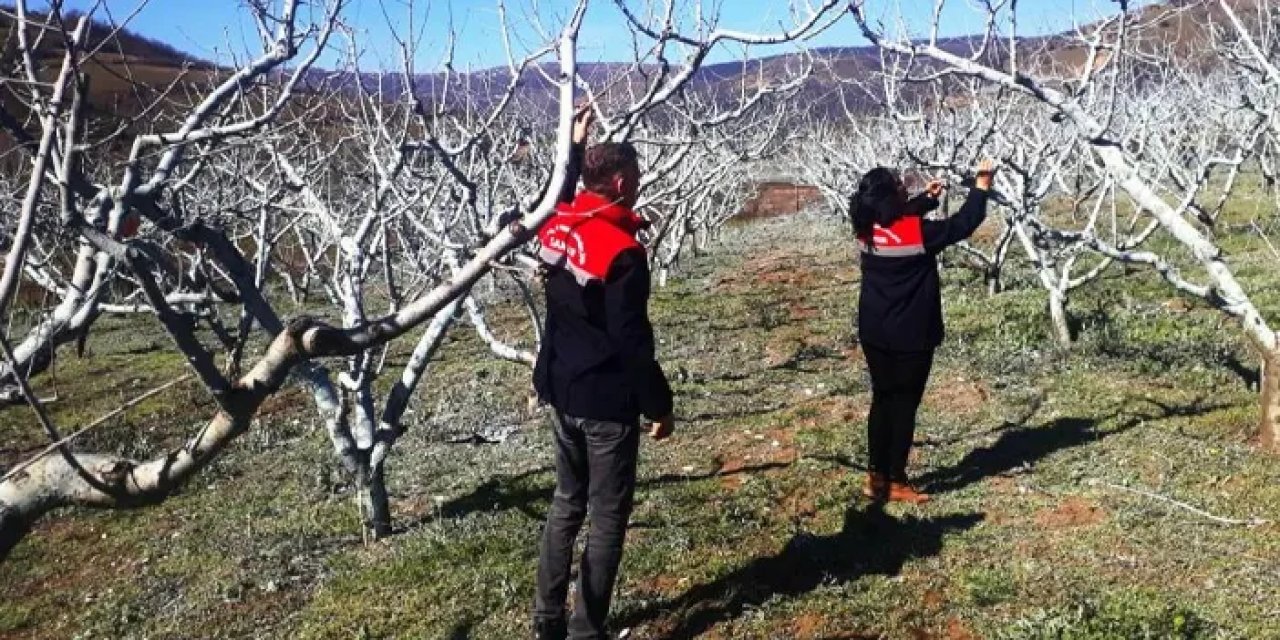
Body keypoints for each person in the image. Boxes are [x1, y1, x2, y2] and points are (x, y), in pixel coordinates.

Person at [531, 106, 676, 640]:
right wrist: (659, 403)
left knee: (567, 502)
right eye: (634, 182)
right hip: (605, 401)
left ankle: (546, 621)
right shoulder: (623, 252)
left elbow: (562, 194)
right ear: (620, 181)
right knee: (608, 515)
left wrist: (572, 148)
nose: (638, 190)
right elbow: (631, 340)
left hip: (560, 387)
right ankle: (586, 630)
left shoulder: (559, 225)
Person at [852, 160, 995, 504]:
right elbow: (965, 223)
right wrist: (982, 184)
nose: (905, 188)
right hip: (911, 335)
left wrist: (925, 200)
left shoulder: (865, 226)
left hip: (875, 331)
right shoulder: (918, 234)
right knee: (904, 405)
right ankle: (896, 480)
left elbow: (899, 218)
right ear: (891, 199)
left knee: (883, 399)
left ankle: (876, 476)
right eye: (900, 186)